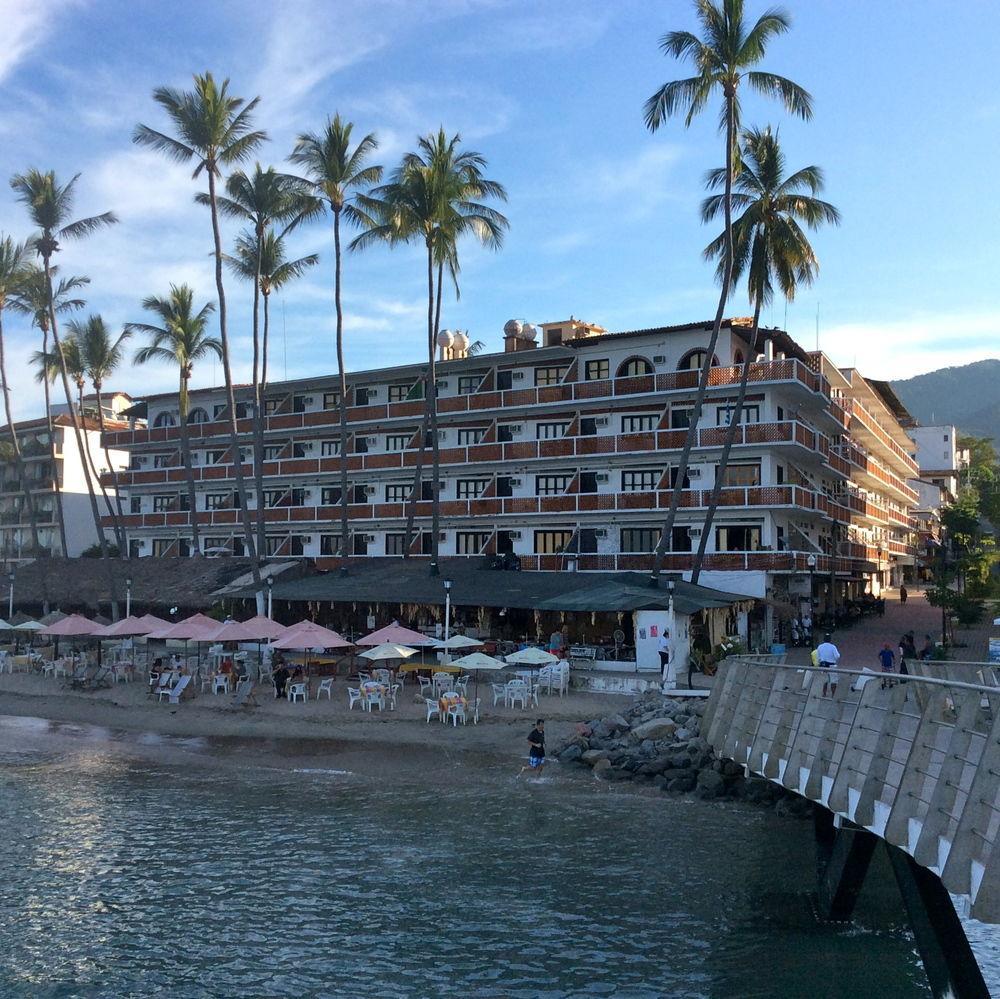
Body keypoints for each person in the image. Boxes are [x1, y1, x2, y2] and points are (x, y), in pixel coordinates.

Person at [816, 632, 841, 697]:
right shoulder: (833, 647)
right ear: (830, 639)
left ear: (823, 639)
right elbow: (837, 656)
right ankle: (833, 694)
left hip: (823, 665)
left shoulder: (820, 646)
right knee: (833, 680)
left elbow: (818, 657)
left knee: (824, 680)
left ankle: (824, 693)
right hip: (832, 665)